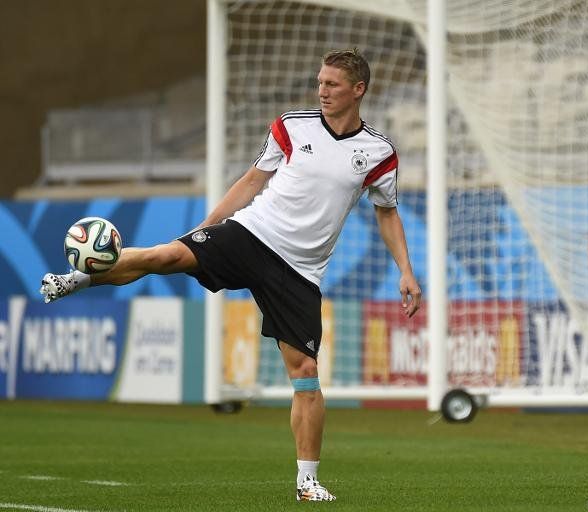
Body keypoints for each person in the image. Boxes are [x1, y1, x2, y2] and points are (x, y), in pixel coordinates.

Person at [40, 48, 422, 502]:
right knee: (166, 257)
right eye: (320, 82)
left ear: (358, 90)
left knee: (305, 373)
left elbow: (387, 213)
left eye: (332, 84)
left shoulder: (378, 152)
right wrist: (208, 226)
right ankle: (77, 278)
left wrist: (406, 271)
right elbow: (251, 181)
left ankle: (307, 482)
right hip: (252, 233)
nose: (322, 90)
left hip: (301, 271)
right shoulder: (291, 126)